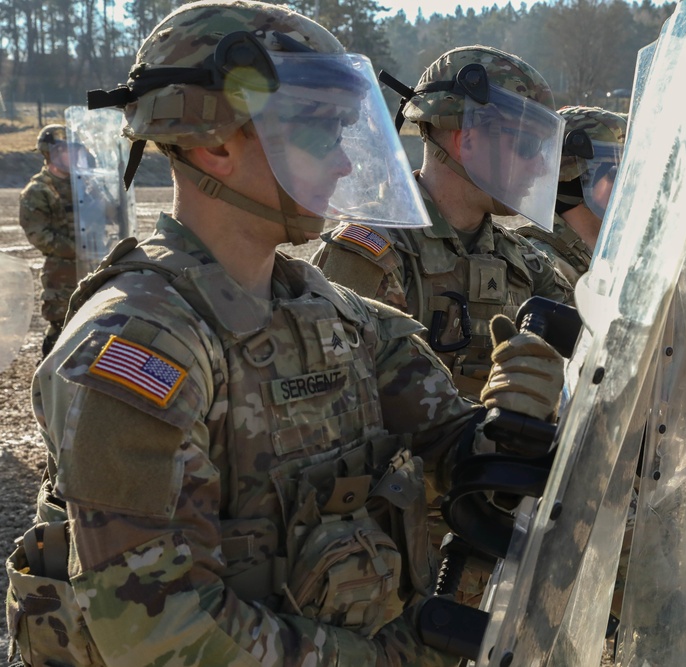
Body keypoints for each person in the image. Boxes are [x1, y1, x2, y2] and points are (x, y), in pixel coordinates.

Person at [4, 3, 565, 666]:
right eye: (319, 132)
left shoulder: (343, 317)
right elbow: (156, 629)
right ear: (216, 143)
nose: (344, 166)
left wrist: (514, 422)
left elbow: (455, 447)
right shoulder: (136, 346)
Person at [312, 45, 573, 402]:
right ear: (466, 140)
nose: (541, 168)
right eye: (527, 146)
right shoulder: (371, 254)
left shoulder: (526, 263)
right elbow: (338, 408)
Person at [516, 105, 627, 286]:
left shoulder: (612, 253)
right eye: (614, 174)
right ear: (572, 175)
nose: (624, 186)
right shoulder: (542, 265)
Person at [19, 124, 80, 358]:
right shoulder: (37, 190)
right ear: (50, 153)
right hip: (61, 277)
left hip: (91, 269)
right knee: (60, 335)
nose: (73, 155)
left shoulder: (84, 185)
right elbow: (39, 235)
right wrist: (77, 250)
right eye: (67, 150)